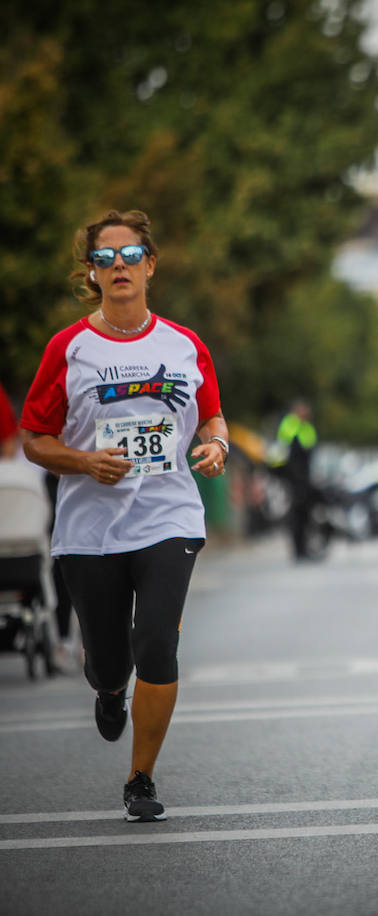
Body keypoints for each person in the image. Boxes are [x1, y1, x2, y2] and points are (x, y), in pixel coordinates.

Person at [21, 209, 229, 822]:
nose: (119, 266)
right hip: (90, 529)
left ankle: (141, 778)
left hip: (168, 516)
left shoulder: (185, 345)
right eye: (106, 257)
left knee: (158, 643)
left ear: (150, 264)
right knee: (110, 660)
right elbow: (35, 437)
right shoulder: (69, 348)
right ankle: (110, 691)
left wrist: (215, 446)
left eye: (130, 254)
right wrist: (84, 462)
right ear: (92, 272)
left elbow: (213, 416)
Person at [275, 399, 317, 561]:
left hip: (304, 477)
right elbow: (287, 450)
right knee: (297, 514)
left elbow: (310, 449)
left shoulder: (306, 427)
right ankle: (298, 550)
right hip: (293, 477)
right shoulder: (290, 424)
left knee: (305, 514)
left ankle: (304, 548)